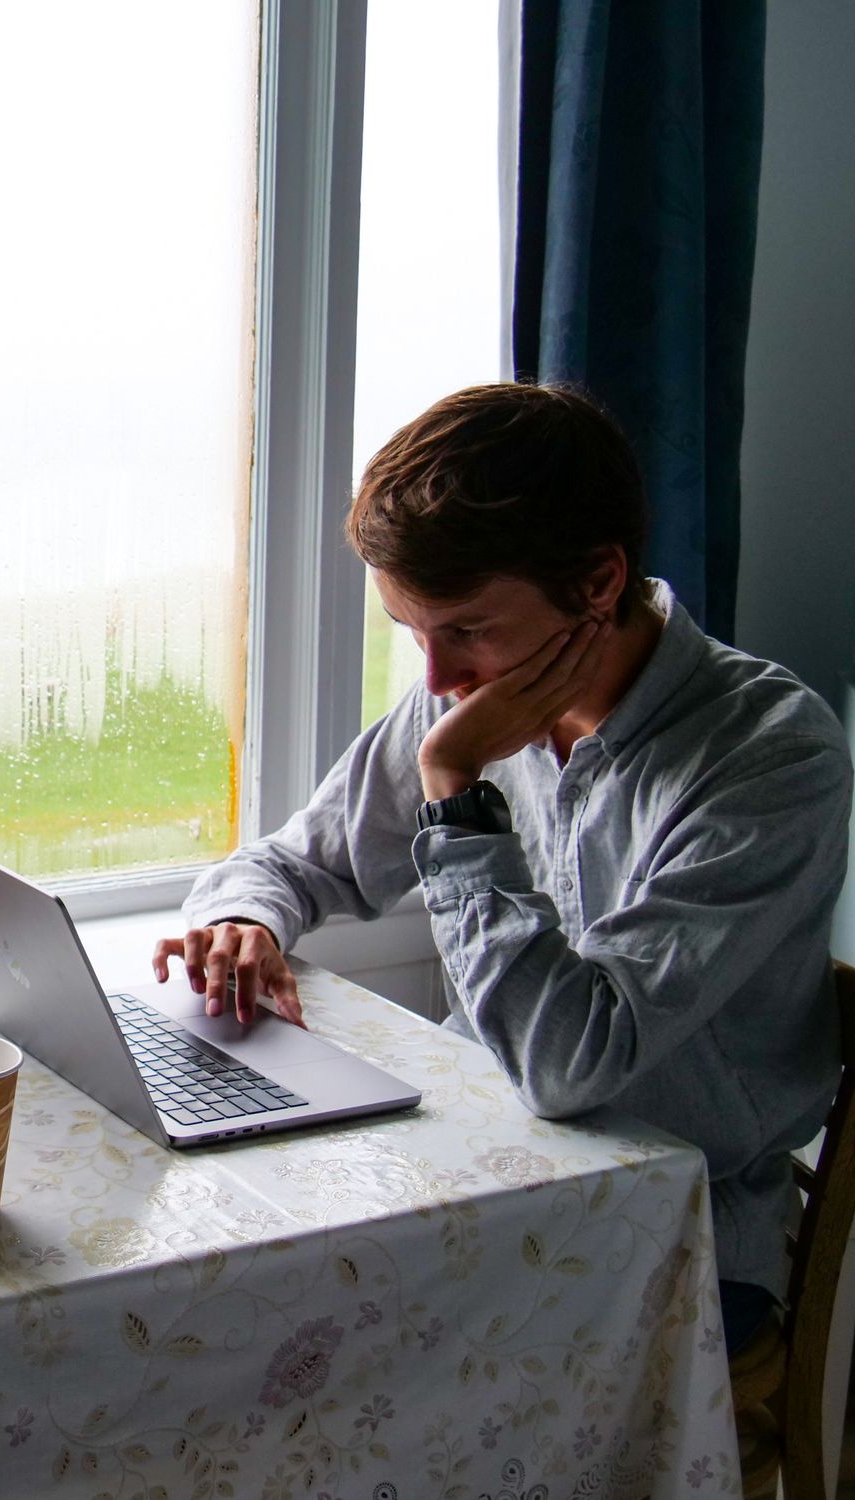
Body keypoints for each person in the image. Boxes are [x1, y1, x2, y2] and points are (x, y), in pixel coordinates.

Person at [155, 381, 852, 1353]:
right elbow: (288, 859)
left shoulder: (769, 757)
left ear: (597, 581)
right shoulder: (473, 693)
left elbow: (571, 1064)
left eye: (465, 629)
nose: (434, 679)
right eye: (411, 633)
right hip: (469, 1162)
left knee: (315, 1365)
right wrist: (248, 922)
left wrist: (452, 789)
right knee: (219, 1301)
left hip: (674, 1235)